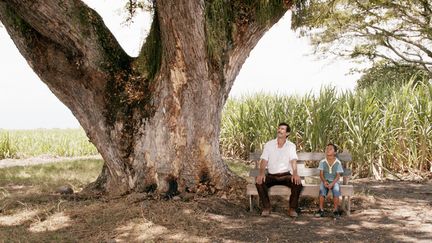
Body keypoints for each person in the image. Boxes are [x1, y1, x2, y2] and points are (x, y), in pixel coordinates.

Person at [255, 122, 303, 217]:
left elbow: (293, 160)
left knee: (298, 183)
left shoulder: (291, 146)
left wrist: (295, 173)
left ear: (287, 134)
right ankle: (266, 207)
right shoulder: (269, 144)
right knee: (259, 183)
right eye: (279, 128)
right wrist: (261, 173)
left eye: (282, 129)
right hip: (272, 175)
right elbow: (264, 160)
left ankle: (292, 209)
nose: (280, 130)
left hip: (285, 175)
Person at [315, 143, 344, 218]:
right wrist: (324, 181)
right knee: (322, 190)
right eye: (327, 148)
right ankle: (321, 209)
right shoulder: (322, 162)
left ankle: (335, 210)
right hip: (325, 181)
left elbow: (338, 176)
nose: (328, 150)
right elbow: (321, 174)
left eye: (330, 149)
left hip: (335, 181)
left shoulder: (337, 162)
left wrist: (333, 183)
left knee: (336, 190)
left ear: (334, 152)